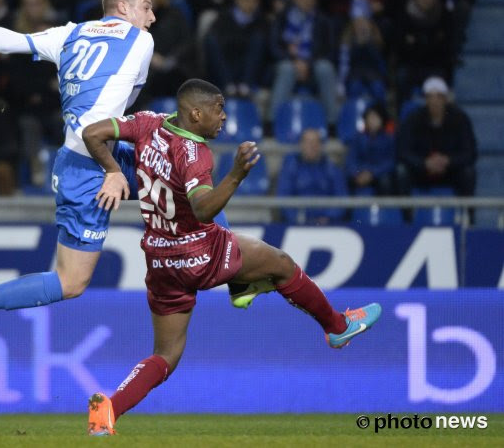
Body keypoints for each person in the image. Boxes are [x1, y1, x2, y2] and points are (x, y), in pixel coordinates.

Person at [80, 79, 381, 436]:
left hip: (159, 258)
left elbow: (93, 133)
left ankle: (109, 410)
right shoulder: (195, 153)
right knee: (282, 264)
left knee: (167, 354)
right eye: (218, 109)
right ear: (196, 113)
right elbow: (204, 209)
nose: (223, 117)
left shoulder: (147, 122)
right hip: (199, 251)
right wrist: (236, 174)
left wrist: (113, 170)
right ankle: (336, 327)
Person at [0, 0, 161, 361]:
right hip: (89, 165)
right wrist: (113, 168)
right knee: (71, 282)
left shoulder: (69, 34)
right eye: (147, 8)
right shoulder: (142, 42)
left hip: (91, 154)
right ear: (124, 8)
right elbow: (113, 111)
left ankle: (233, 270)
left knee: (182, 172)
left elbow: (8, 40)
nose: (151, 18)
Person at [396, 76, 476, 197]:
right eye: (430, 96)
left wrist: (448, 161)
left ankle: (468, 214)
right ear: (425, 99)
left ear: (445, 99)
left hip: (450, 170)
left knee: (468, 172)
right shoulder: (413, 119)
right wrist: (424, 163)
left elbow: (470, 152)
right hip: (421, 170)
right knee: (401, 171)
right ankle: (406, 215)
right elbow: (403, 151)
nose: (435, 101)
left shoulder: (460, 119)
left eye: (439, 96)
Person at [276, 128, 348, 224]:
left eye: (315, 142)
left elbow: (342, 197)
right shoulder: (290, 168)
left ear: (321, 145)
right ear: (301, 145)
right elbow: (283, 198)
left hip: (328, 225)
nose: (312, 146)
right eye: (308, 142)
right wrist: (298, 218)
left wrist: (328, 217)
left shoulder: (332, 169)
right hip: (298, 225)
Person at [346, 104, 395, 195]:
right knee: (346, 179)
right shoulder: (357, 138)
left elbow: (390, 162)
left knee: (385, 181)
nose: (372, 121)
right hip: (360, 173)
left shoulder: (389, 139)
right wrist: (356, 173)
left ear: (382, 119)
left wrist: (372, 173)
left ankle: (386, 208)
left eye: (375, 118)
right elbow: (351, 159)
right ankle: (349, 209)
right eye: (370, 118)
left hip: (378, 175)